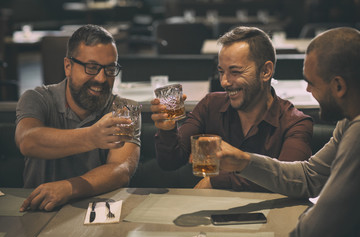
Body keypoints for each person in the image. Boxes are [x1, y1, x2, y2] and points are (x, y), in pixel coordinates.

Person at [217, 27, 360, 237]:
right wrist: (243, 162)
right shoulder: (348, 120)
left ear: (338, 86)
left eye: (311, 83)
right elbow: (310, 176)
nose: (308, 91)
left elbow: (319, 229)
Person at [150, 26, 313, 191]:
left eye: (235, 72)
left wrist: (216, 181)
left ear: (265, 71)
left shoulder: (295, 123)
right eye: (221, 72)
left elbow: (291, 181)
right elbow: (170, 162)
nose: (224, 82)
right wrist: (167, 130)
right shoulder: (210, 105)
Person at [15, 25, 140, 211]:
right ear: (68, 66)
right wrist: (91, 137)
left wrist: (69, 188)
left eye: (110, 69)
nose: (101, 78)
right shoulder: (38, 98)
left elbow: (121, 170)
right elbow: (28, 141)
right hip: (38, 211)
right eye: (92, 68)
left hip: (101, 215)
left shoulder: (124, 108)